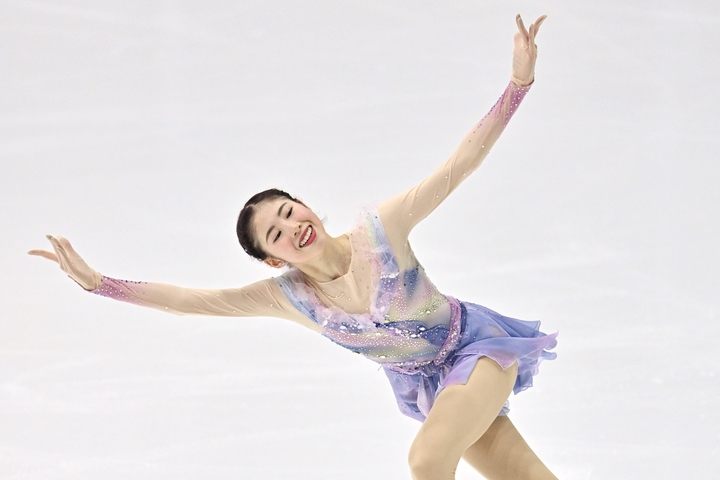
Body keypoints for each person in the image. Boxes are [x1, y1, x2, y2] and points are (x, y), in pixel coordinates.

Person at [30, 14, 557, 480]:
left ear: (305, 206)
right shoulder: (290, 297)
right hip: (434, 390)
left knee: (426, 461)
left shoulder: (382, 231)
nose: (292, 227)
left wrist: (518, 84)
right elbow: (192, 301)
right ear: (274, 258)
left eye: (289, 212)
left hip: (476, 352)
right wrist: (100, 285)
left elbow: (458, 165)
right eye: (276, 234)